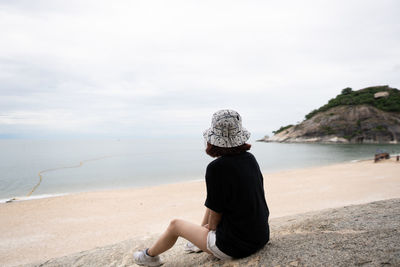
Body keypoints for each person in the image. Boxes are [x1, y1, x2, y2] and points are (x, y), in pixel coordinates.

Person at [133, 109, 270, 266]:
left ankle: (148, 257)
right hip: (260, 236)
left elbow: (213, 223)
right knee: (213, 202)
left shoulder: (216, 168)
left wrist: (209, 228)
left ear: (214, 139)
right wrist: (207, 228)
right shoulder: (250, 159)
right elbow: (221, 203)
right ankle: (198, 242)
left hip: (234, 246)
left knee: (175, 225)